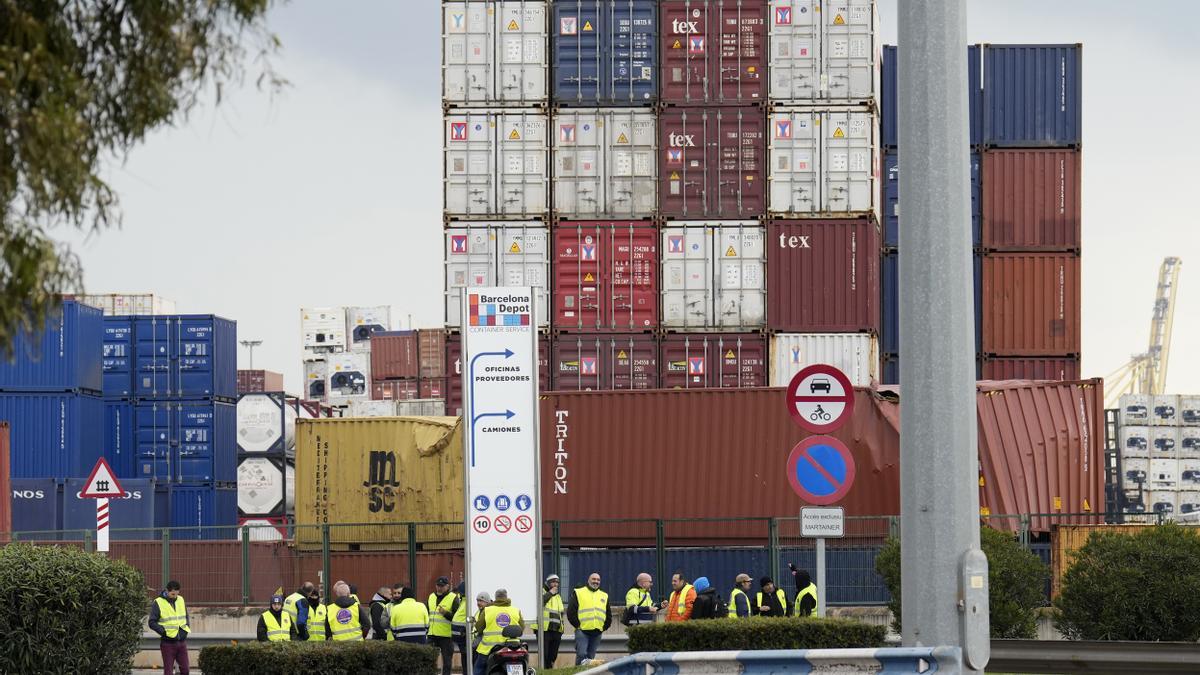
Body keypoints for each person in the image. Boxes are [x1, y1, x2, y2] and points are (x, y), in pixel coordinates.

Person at [474, 588, 522, 675]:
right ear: (506, 597)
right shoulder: (516, 610)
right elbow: (521, 627)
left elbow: (479, 628)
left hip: (489, 649)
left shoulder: (488, 610)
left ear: (495, 598)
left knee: (479, 667)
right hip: (512, 647)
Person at [568, 572, 610, 665]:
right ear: (588, 580)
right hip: (582, 630)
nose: (596, 581)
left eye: (598, 580)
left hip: (597, 632)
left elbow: (608, 614)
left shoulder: (604, 595)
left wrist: (604, 627)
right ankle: (578, 672)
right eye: (593, 579)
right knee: (582, 654)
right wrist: (577, 625)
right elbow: (571, 611)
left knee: (591, 657)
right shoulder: (579, 592)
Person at [149, 580, 191, 675]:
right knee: (168, 672)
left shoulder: (180, 599)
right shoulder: (158, 602)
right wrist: (164, 632)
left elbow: (186, 616)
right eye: (172, 594)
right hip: (167, 643)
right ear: (167, 591)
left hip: (181, 642)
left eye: (176, 594)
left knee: (185, 670)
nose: (175, 596)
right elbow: (152, 622)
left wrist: (185, 630)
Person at [428, 576, 459, 675]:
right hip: (432, 634)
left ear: (447, 586)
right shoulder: (431, 596)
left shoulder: (453, 597)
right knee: (428, 659)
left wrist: (445, 613)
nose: (439, 588)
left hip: (446, 636)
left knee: (447, 662)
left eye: (442, 586)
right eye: (438, 585)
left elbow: (457, 618)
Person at [540, 574, 565, 669]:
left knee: (553, 654)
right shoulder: (541, 591)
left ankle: (549, 669)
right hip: (544, 629)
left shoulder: (558, 596)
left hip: (556, 630)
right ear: (548, 583)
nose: (556, 584)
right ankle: (545, 670)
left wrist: (562, 628)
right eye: (553, 582)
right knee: (545, 654)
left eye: (557, 582)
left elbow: (560, 613)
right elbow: (540, 602)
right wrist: (550, 593)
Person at [451, 582, 470, 674]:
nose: (458, 594)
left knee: (466, 657)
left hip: (464, 635)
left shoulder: (468, 602)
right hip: (460, 636)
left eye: (459, 592)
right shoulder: (463, 601)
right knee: (464, 657)